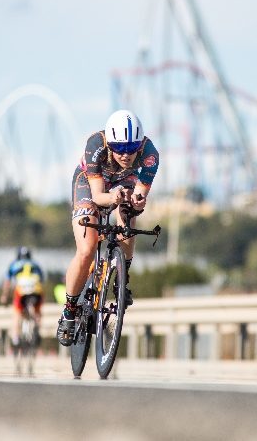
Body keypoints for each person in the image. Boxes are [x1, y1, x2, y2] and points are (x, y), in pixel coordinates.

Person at [57, 109, 160, 346]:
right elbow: (97, 196)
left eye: (131, 149)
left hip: (124, 183)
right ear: (110, 143)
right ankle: (69, 311)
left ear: (140, 144)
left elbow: (140, 197)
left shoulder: (150, 154)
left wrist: (136, 201)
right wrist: (113, 197)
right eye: (120, 149)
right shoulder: (96, 145)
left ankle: (122, 276)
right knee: (87, 249)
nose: (126, 155)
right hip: (91, 183)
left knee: (129, 216)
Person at [0, 246, 44, 349]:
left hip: (21, 291)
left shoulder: (14, 265)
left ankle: (15, 337)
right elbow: (41, 280)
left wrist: (4, 296)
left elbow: (7, 283)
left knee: (17, 312)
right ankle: (37, 329)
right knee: (37, 311)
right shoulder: (36, 264)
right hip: (36, 290)